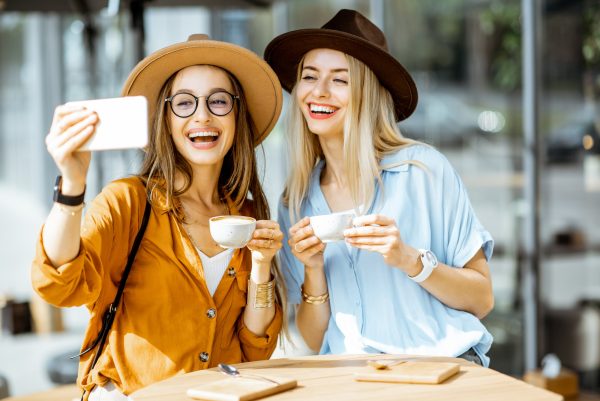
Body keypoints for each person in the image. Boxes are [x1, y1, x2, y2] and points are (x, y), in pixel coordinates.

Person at [32, 34, 286, 400]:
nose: (202, 115)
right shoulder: (129, 202)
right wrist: (72, 182)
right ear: (165, 120)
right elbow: (58, 284)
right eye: (184, 103)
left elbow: (255, 348)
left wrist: (261, 264)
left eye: (218, 101)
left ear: (236, 115)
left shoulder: (244, 215)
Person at [264, 9, 494, 366]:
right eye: (310, 76)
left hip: (441, 369)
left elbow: (482, 299)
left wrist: (409, 259)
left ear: (367, 93)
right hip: (352, 376)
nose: (319, 91)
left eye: (340, 80)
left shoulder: (423, 171)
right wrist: (312, 269)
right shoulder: (296, 201)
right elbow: (311, 338)